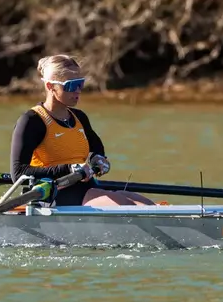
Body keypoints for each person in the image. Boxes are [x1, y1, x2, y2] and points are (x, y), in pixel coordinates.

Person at [10, 54, 154, 207]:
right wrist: (68, 169)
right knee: (125, 206)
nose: (78, 91)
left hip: (87, 187)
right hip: (54, 193)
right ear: (50, 86)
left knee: (148, 206)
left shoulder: (79, 117)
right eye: (72, 85)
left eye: (81, 84)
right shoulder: (32, 121)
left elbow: (96, 147)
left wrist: (97, 160)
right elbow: (18, 172)